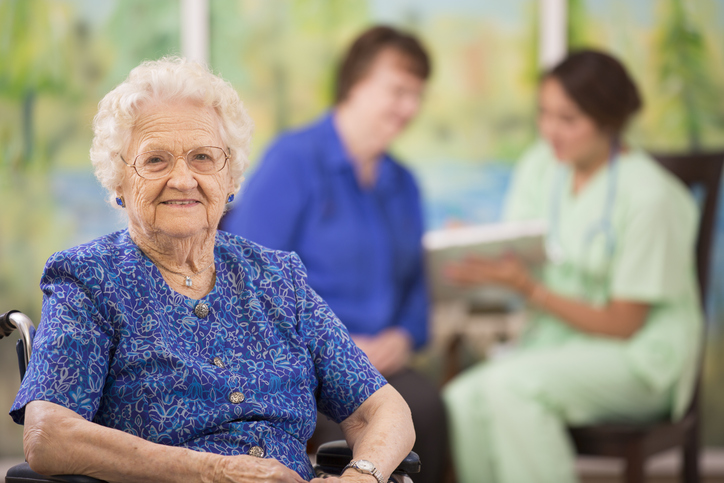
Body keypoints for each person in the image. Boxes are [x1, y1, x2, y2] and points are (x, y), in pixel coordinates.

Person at [10, 57, 415, 483]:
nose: (183, 179)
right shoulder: (89, 279)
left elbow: (383, 410)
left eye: (203, 158)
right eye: (156, 161)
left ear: (231, 179)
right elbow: (48, 435)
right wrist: (216, 471)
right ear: (118, 182)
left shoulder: (277, 279)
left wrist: (361, 476)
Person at [443, 49, 702, 483]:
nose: (551, 132)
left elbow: (625, 324)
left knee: (510, 388)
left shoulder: (651, 197)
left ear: (609, 121)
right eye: (544, 114)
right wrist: (475, 247)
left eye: (569, 119)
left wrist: (531, 290)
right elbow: (521, 250)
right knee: (461, 398)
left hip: (637, 358)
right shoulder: (541, 167)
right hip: (559, 344)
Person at [221, 26, 447, 483]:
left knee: (430, 408)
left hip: (386, 365)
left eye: (417, 95)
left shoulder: (404, 184)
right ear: (355, 83)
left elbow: (417, 298)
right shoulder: (293, 161)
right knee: (364, 426)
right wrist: (337, 348)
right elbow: (243, 280)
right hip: (305, 364)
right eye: (398, 91)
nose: (410, 109)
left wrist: (402, 336)